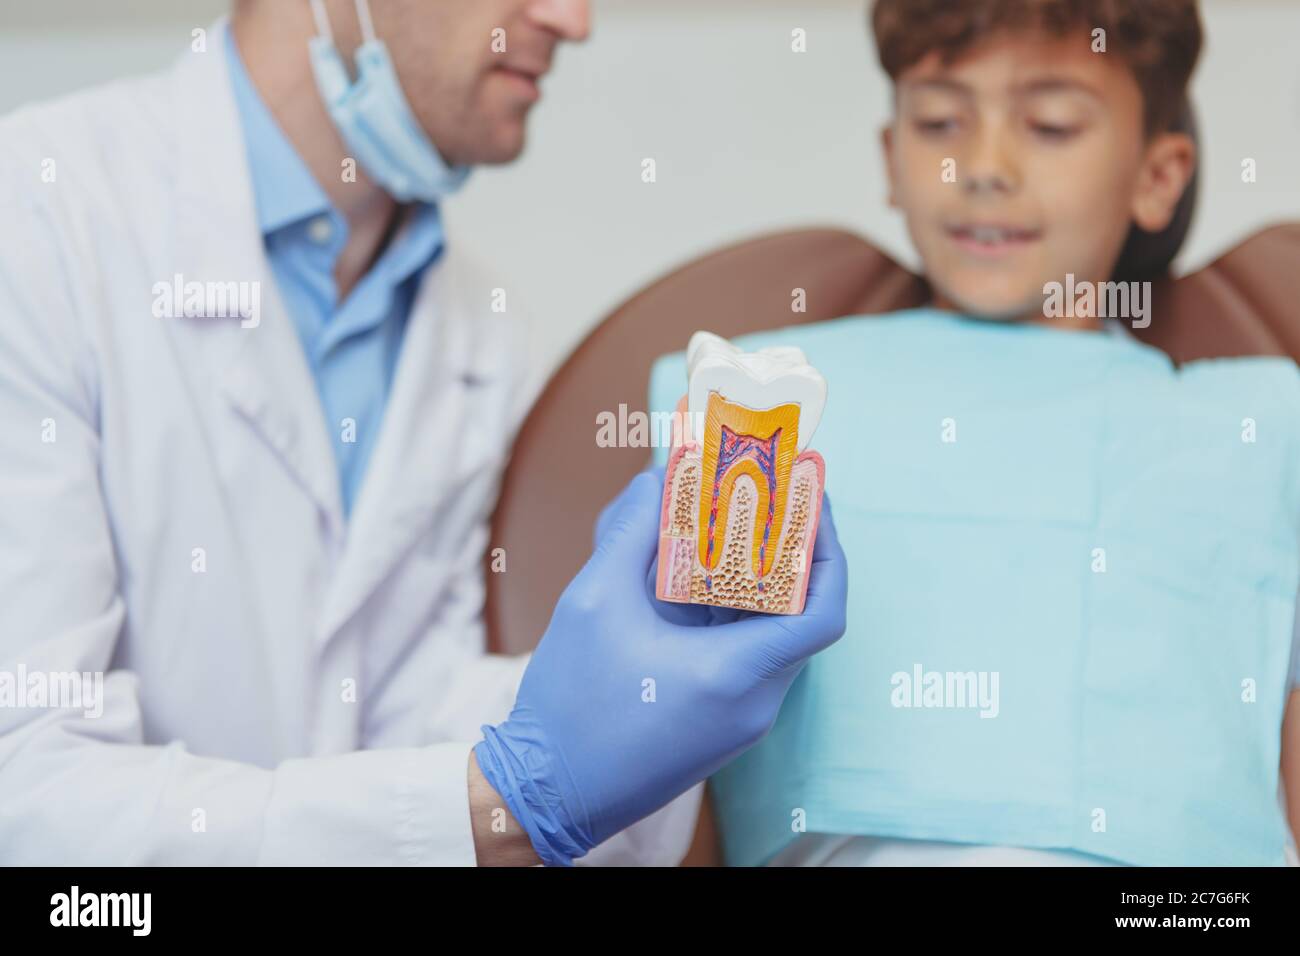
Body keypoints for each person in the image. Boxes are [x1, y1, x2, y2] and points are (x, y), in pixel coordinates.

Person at [0, 0, 848, 866]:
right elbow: (25, 795)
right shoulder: (35, 218)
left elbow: (395, 708)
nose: (573, 19)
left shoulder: (478, 327)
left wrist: (638, 699)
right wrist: (507, 803)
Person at [651, 0, 1300, 866]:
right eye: (940, 120)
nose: (983, 166)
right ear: (890, 156)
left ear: (1158, 174)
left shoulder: (1259, 432)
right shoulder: (760, 409)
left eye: (1052, 124)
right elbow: (672, 776)